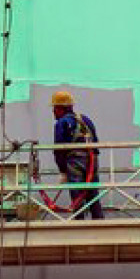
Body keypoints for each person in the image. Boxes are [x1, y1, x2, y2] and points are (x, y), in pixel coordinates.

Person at [51, 90, 104, 219]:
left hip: (75, 161)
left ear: (60, 108)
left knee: (77, 194)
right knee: (93, 193)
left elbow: (59, 150)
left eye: (54, 108)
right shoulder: (85, 120)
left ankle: (79, 222)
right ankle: (98, 220)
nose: (53, 112)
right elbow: (95, 142)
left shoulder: (61, 123)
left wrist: (62, 170)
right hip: (92, 160)